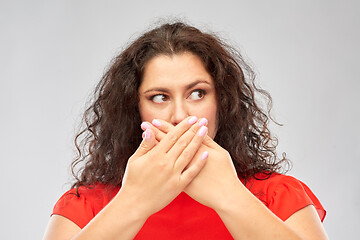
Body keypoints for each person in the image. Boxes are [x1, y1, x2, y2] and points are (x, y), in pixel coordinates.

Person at [43, 21, 328, 240]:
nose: (180, 116)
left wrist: (231, 196)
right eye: (159, 97)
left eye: (197, 94)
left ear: (222, 102)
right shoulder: (86, 206)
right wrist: (134, 202)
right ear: (135, 109)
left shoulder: (278, 196)